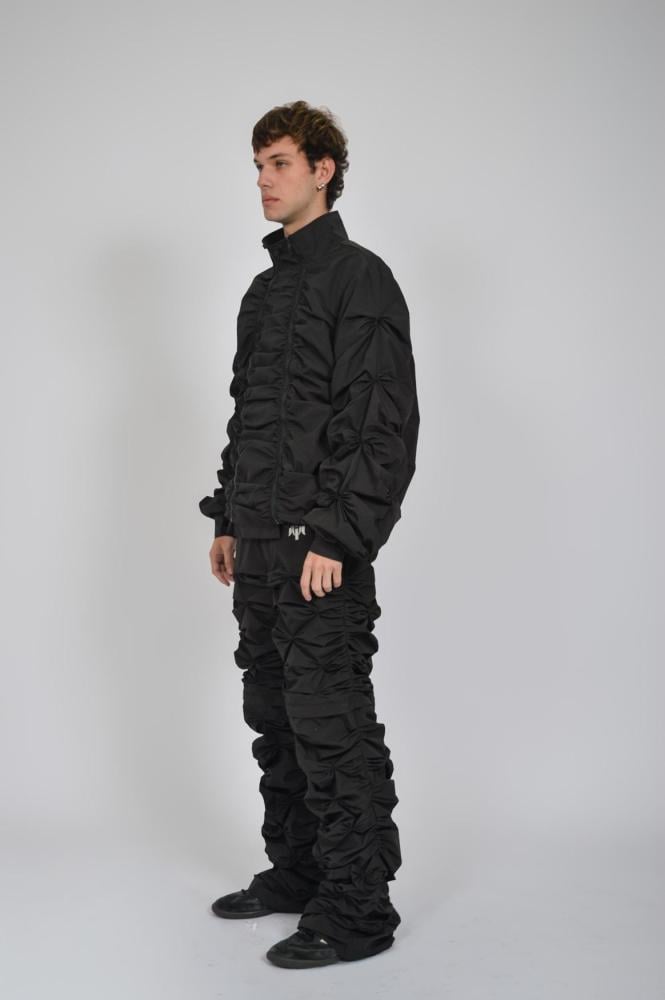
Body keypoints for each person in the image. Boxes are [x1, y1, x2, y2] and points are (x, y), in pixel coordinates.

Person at [199, 99, 420, 969]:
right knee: (275, 719)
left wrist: (337, 536)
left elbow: (379, 424)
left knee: (331, 727)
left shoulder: (360, 279)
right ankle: (298, 872)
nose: (262, 180)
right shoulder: (263, 293)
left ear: (322, 170)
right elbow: (249, 418)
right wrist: (227, 518)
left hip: (317, 553)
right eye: (257, 166)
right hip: (257, 548)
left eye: (279, 163)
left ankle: (358, 908)